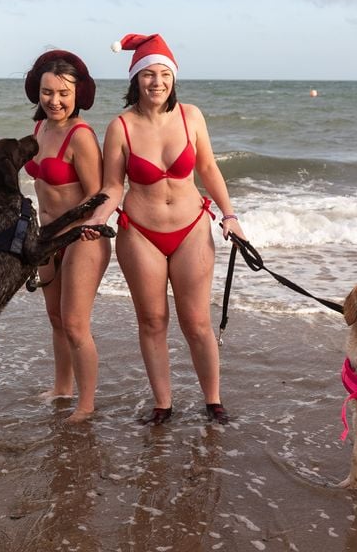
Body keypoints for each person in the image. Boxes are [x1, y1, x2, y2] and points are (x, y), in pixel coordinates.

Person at [86, 33, 246, 425]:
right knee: (153, 320)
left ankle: (213, 400)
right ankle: (163, 403)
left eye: (164, 74)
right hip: (140, 232)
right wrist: (96, 218)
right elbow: (112, 187)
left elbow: (208, 169)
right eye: (148, 75)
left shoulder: (191, 116)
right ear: (135, 79)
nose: (156, 82)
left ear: (173, 78)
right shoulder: (120, 127)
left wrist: (230, 215)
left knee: (196, 321)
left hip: (191, 227)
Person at [23, 49, 110, 423]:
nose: (54, 101)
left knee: (75, 323)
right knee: (56, 318)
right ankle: (62, 387)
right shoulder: (40, 129)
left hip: (81, 239)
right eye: (47, 92)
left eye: (62, 93)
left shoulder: (82, 137)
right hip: (46, 238)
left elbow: (97, 195)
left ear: (78, 95)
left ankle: (86, 405)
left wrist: (77, 234)